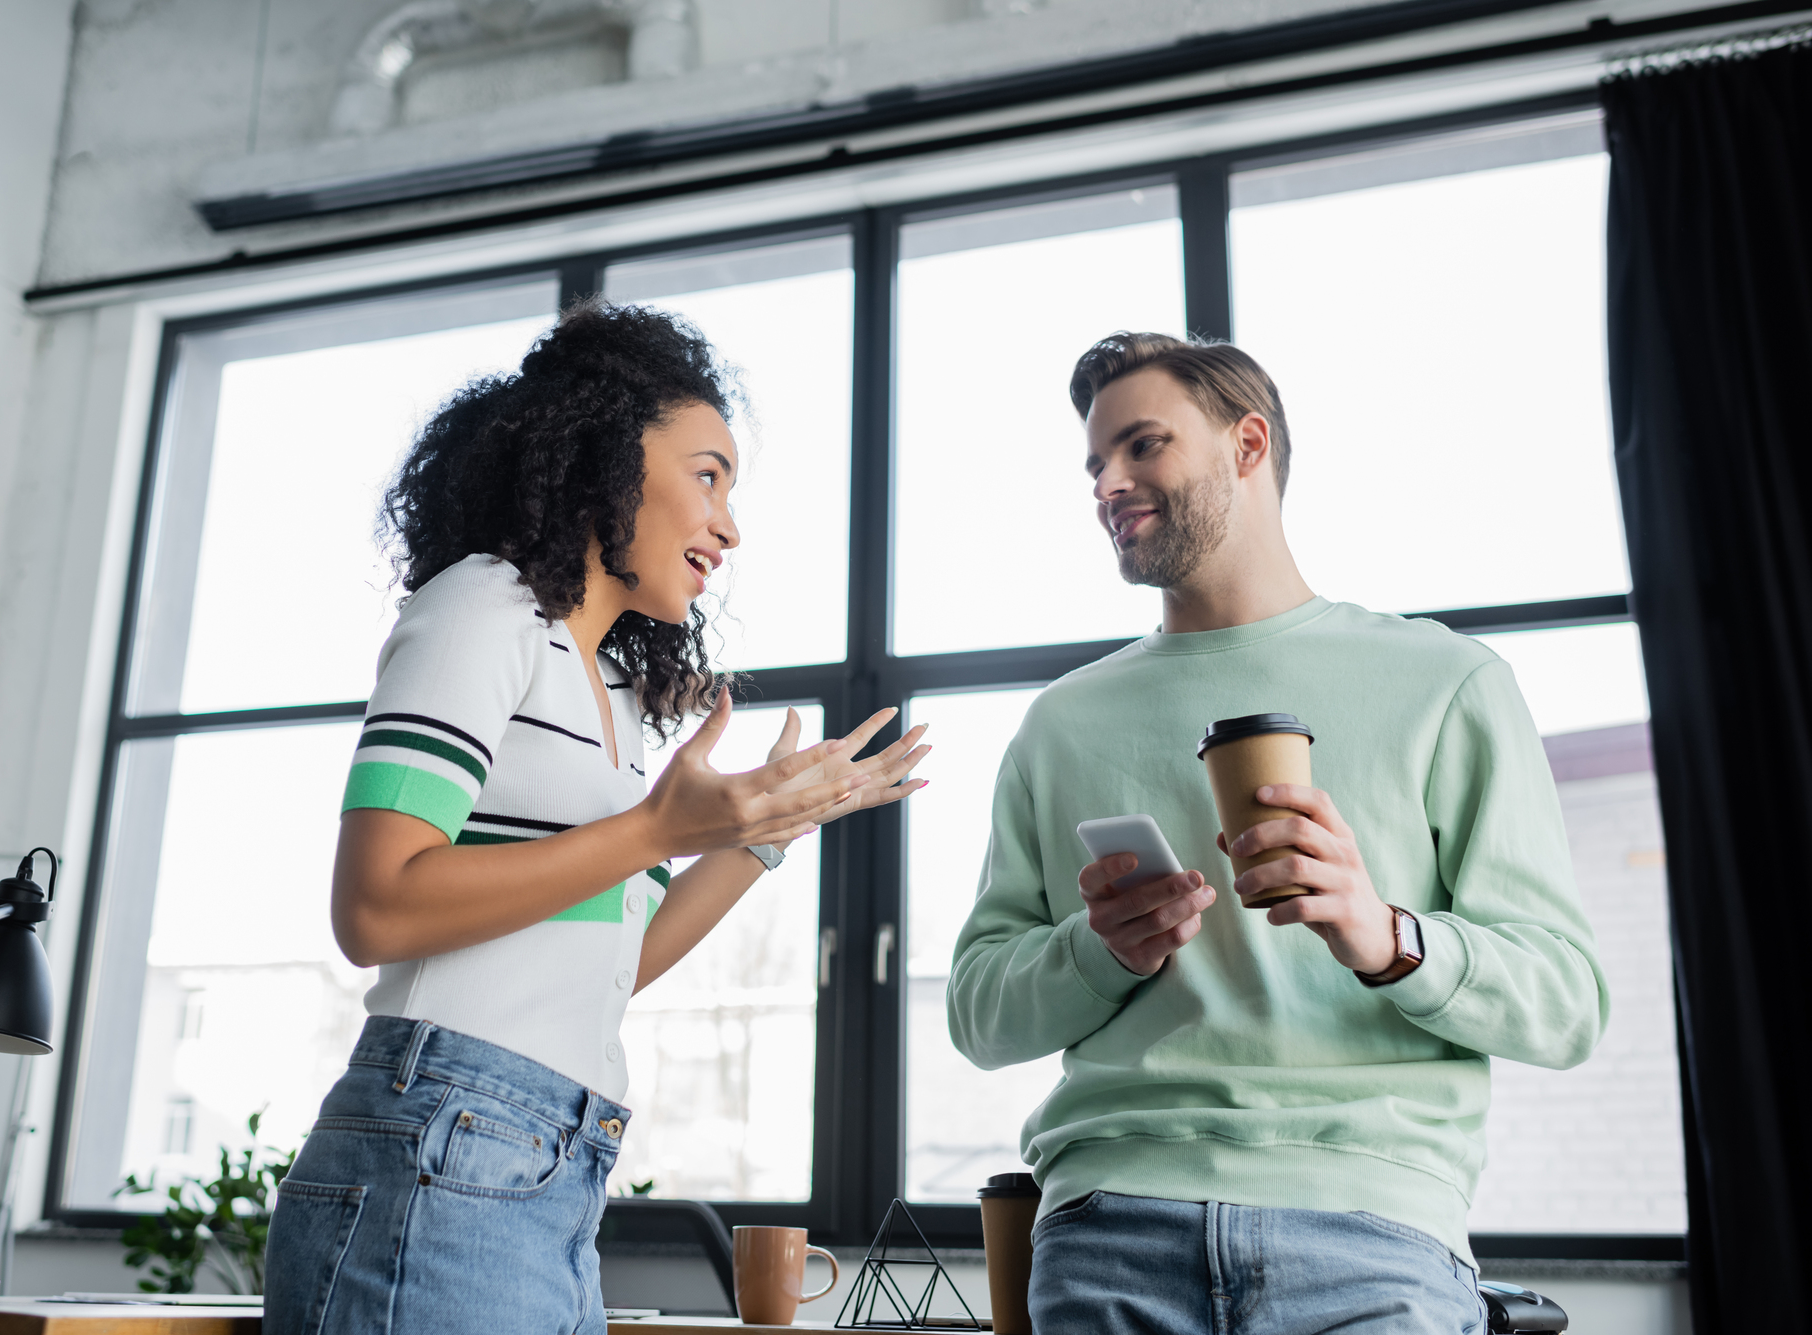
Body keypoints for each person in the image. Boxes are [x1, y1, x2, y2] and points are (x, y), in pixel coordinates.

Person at [263, 302, 928, 1335]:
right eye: (706, 474)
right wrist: (661, 829)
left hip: (545, 1161)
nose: (727, 524)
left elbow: (620, 958)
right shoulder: (479, 608)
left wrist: (762, 828)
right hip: (442, 1138)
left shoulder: (610, 698)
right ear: (605, 457)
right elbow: (376, 907)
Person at [946, 332, 1607, 1334]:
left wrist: (1386, 936)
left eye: (1141, 446)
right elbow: (977, 1015)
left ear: (1246, 445)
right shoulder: (1062, 722)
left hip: (1371, 1236)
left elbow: (1565, 1004)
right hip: (1109, 1231)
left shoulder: (1444, 685)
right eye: (1094, 463)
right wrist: (1097, 950)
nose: (1107, 483)